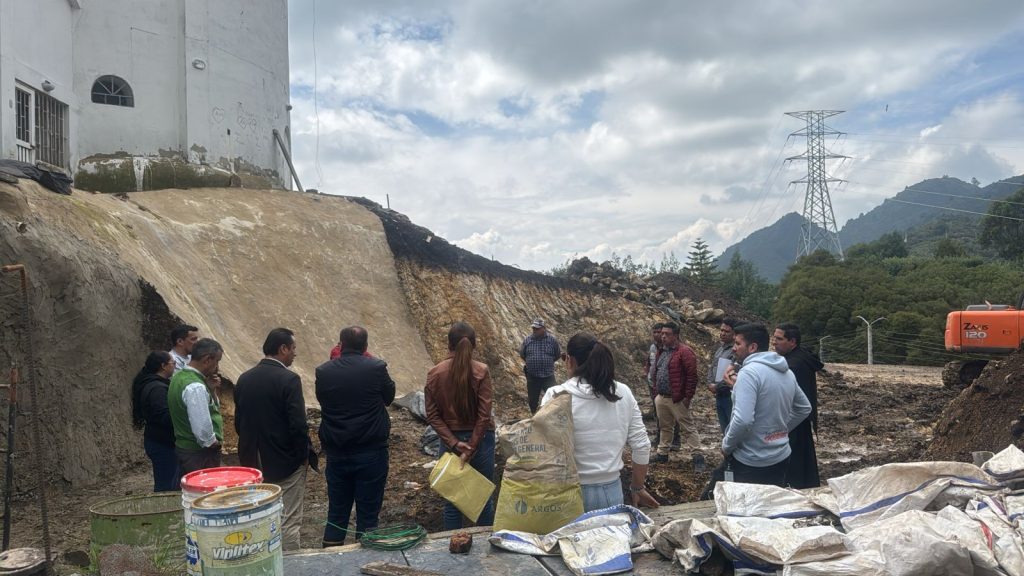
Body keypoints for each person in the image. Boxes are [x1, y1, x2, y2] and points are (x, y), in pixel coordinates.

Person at [542, 333, 659, 512]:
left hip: (568, 495)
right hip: (612, 493)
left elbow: (545, 450)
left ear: (570, 361)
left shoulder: (555, 395)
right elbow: (642, 445)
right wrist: (637, 487)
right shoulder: (623, 393)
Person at [317, 326, 396, 547]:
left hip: (337, 451)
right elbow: (389, 397)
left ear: (340, 346)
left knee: (337, 512)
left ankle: (332, 560)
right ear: (366, 346)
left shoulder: (324, 371)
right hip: (371, 452)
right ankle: (366, 558)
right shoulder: (376, 367)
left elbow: (323, 400)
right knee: (369, 514)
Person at [234, 328, 312, 550]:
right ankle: (290, 564)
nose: (295, 354)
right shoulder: (289, 379)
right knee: (287, 518)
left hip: (252, 461)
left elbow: (240, 422)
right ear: (283, 348)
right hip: (285, 461)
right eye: (293, 348)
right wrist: (303, 455)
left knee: (259, 516)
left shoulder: (244, 378)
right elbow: (298, 424)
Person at [717, 323, 811, 487]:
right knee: (768, 506)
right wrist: (779, 432)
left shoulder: (749, 373)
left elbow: (743, 420)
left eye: (738, 344)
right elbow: (804, 408)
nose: (733, 348)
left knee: (744, 509)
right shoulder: (786, 372)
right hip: (780, 456)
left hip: (751, 461)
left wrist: (726, 446)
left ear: (752, 347)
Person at [424, 322, 496, 529]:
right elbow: (484, 415)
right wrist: (472, 445)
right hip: (482, 441)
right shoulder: (482, 371)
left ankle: (452, 548)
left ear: (449, 344)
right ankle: (486, 551)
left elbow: (433, 415)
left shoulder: (434, 373)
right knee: (484, 498)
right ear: (474, 345)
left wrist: (455, 444)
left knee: (452, 501)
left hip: (450, 443)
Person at [773, 323, 822, 489]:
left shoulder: (794, 364)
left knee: (795, 464)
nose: (774, 342)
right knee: (802, 463)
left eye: (779, 339)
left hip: (794, 420)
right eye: (774, 338)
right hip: (799, 420)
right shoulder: (797, 358)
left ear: (792, 342)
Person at [650, 322, 704, 471]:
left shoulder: (685, 352)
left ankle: (698, 456)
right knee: (665, 426)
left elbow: (692, 376)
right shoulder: (662, 351)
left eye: (667, 334)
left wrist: (687, 397)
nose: (663, 336)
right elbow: (657, 371)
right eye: (662, 333)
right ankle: (662, 453)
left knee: (687, 427)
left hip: (677, 398)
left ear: (676, 335)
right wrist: (656, 392)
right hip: (662, 396)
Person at [168, 338, 225, 474]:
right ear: (207, 360)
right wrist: (213, 443)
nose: (217, 367)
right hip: (200, 454)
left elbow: (211, 407)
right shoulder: (195, 387)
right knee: (205, 492)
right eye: (217, 361)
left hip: (186, 449)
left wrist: (211, 390)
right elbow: (203, 430)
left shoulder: (179, 376)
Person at [131, 351, 179, 491]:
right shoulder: (157, 388)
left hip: (158, 440)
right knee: (166, 486)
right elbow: (164, 416)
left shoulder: (154, 384)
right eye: (173, 363)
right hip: (162, 442)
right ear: (163, 366)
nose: (175, 366)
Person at [643, 323, 680, 450]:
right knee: (659, 414)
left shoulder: (670, 349)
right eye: (656, 332)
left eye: (661, 332)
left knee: (675, 414)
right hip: (654, 385)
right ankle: (660, 438)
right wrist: (647, 373)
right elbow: (649, 362)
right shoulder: (653, 348)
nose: (659, 335)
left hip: (669, 389)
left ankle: (676, 439)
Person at [520, 319, 561, 413]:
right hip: (533, 376)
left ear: (543, 329)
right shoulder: (528, 340)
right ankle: (533, 414)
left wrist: (548, 362)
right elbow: (522, 354)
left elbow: (557, 354)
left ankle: (553, 414)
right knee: (532, 399)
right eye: (533, 328)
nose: (534, 330)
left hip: (548, 376)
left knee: (554, 397)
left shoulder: (552, 340)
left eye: (537, 328)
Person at [707, 317, 739, 434]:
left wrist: (717, 387)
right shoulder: (720, 349)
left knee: (731, 428)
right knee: (724, 428)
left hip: (728, 394)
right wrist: (710, 383)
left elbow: (733, 373)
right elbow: (712, 367)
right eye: (721, 330)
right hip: (719, 394)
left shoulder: (736, 351)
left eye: (727, 331)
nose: (722, 334)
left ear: (734, 333)